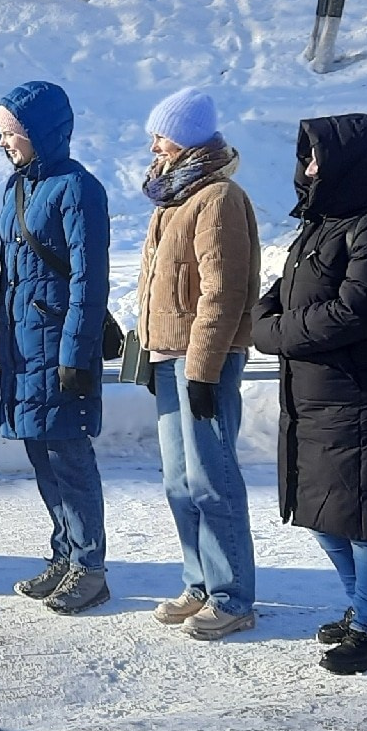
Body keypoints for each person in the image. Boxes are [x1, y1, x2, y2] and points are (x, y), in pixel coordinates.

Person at [257, 115, 367, 674]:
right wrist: (267, 321)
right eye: (306, 158)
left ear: (352, 165)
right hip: (317, 399)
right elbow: (279, 298)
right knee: (323, 513)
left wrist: (274, 333)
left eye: (318, 158)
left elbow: (354, 313)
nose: (307, 168)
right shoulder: (321, 226)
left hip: (364, 401)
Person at [132, 89, 262, 640]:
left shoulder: (218, 198)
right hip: (167, 358)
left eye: (162, 134)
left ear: (187, 139)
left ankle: (232, 595)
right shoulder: (172, 195)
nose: (154, 143)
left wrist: (203, 371)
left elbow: (223, 293)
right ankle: (200, 582)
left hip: (201, 362)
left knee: (212, 480)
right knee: (179, 481)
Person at [0, 81, 114, 616]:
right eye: (0, 133)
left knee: (69, 457)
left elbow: (90, 282)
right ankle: (64, 557)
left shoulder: (78, 188)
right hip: (22, 346)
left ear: (43, 132)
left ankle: (90, 568)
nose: (4, 143)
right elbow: (8, 275)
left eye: (12, 133)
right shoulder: (16, 188)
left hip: (59, 348)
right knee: (41, 454)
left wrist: (73, 356)